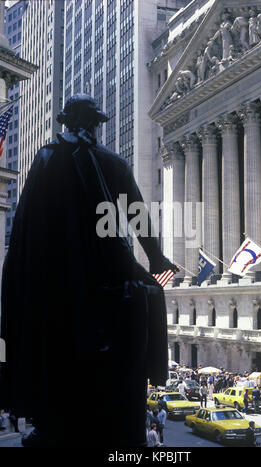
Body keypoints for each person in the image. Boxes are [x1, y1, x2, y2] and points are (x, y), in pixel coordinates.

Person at [0, 94, 179, 448]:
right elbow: (139, 218)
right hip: (102, 277)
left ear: (67, 123)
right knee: (149, 296)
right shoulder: (111, 163)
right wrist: (157, 261)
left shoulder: (47, 159)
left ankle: (51, 420)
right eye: (93, 123)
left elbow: (25, 229)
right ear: (94, 125)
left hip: (55, 283)